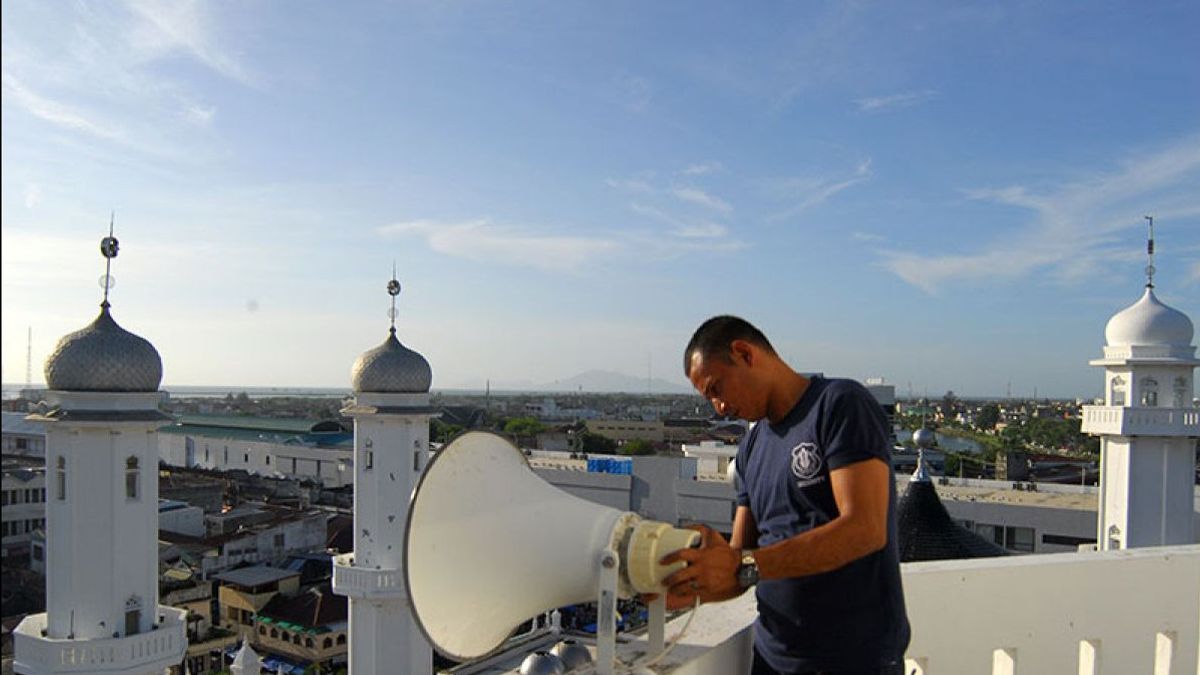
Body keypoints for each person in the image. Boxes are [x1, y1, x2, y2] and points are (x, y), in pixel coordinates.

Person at [662, 315, 910, 675]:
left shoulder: (839, 405)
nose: (719, 407)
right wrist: (688, 585)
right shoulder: (751, 449)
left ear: (744, 353)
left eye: (716, 388)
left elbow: (865, 529)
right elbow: (740, 561)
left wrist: (745, 565)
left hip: (854, 661)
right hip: (773, 658)